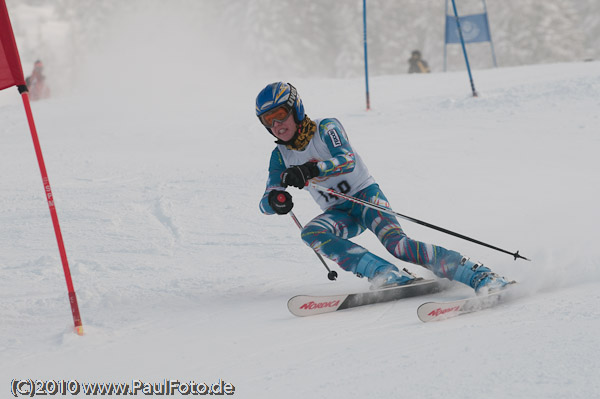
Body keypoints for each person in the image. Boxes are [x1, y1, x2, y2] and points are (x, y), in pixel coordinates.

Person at [256, 82, 510, 292]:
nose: (276, 124)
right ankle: (384, 273)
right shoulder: (280, 156)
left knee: (398, 246)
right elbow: (266, 201)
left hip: (366, 199)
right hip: (340, 214)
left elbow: (347, 159)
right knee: (312, 233)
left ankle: (480, 275)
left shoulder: (326, 128)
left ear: (295, 109)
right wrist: (277, 200)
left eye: (280, 114)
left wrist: (312, 170)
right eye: (268, 120)